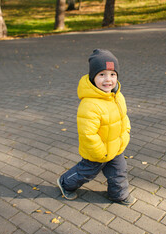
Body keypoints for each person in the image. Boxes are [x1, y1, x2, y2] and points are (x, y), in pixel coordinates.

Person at [57, 49, 135, 205]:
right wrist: (100, 152)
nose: (108, 80)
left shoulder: (117, 96)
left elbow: (123, 117)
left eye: (113, 74)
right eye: (102, 74)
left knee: (119, 171)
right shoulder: (89, 104)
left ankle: (118, 194)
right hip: (97, 152)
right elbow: (88, 134)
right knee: (85, 173)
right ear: (93, 78)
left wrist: (125, 133)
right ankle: (65, 182)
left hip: (116, 146)